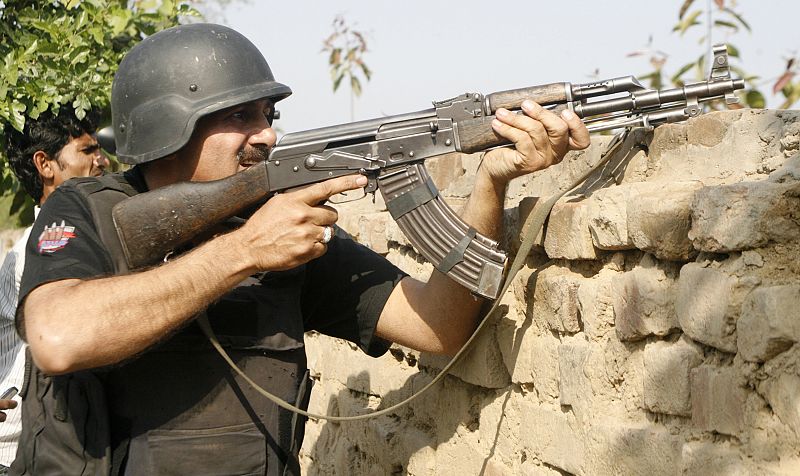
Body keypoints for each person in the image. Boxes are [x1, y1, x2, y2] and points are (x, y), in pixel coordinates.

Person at [13, 23, 590, 475]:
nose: (265, 133)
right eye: (241, 116)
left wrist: (491, 182)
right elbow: (59, 339)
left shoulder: (278, 226)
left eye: (267, 115)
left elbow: (439, 326)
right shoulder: (90, 210)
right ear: (169, 127)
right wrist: (244, 251)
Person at [0, 108, 108, 474]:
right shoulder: (45, 250)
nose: (103, 160)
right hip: (19, 453)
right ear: (45, 165)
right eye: (88, 151)